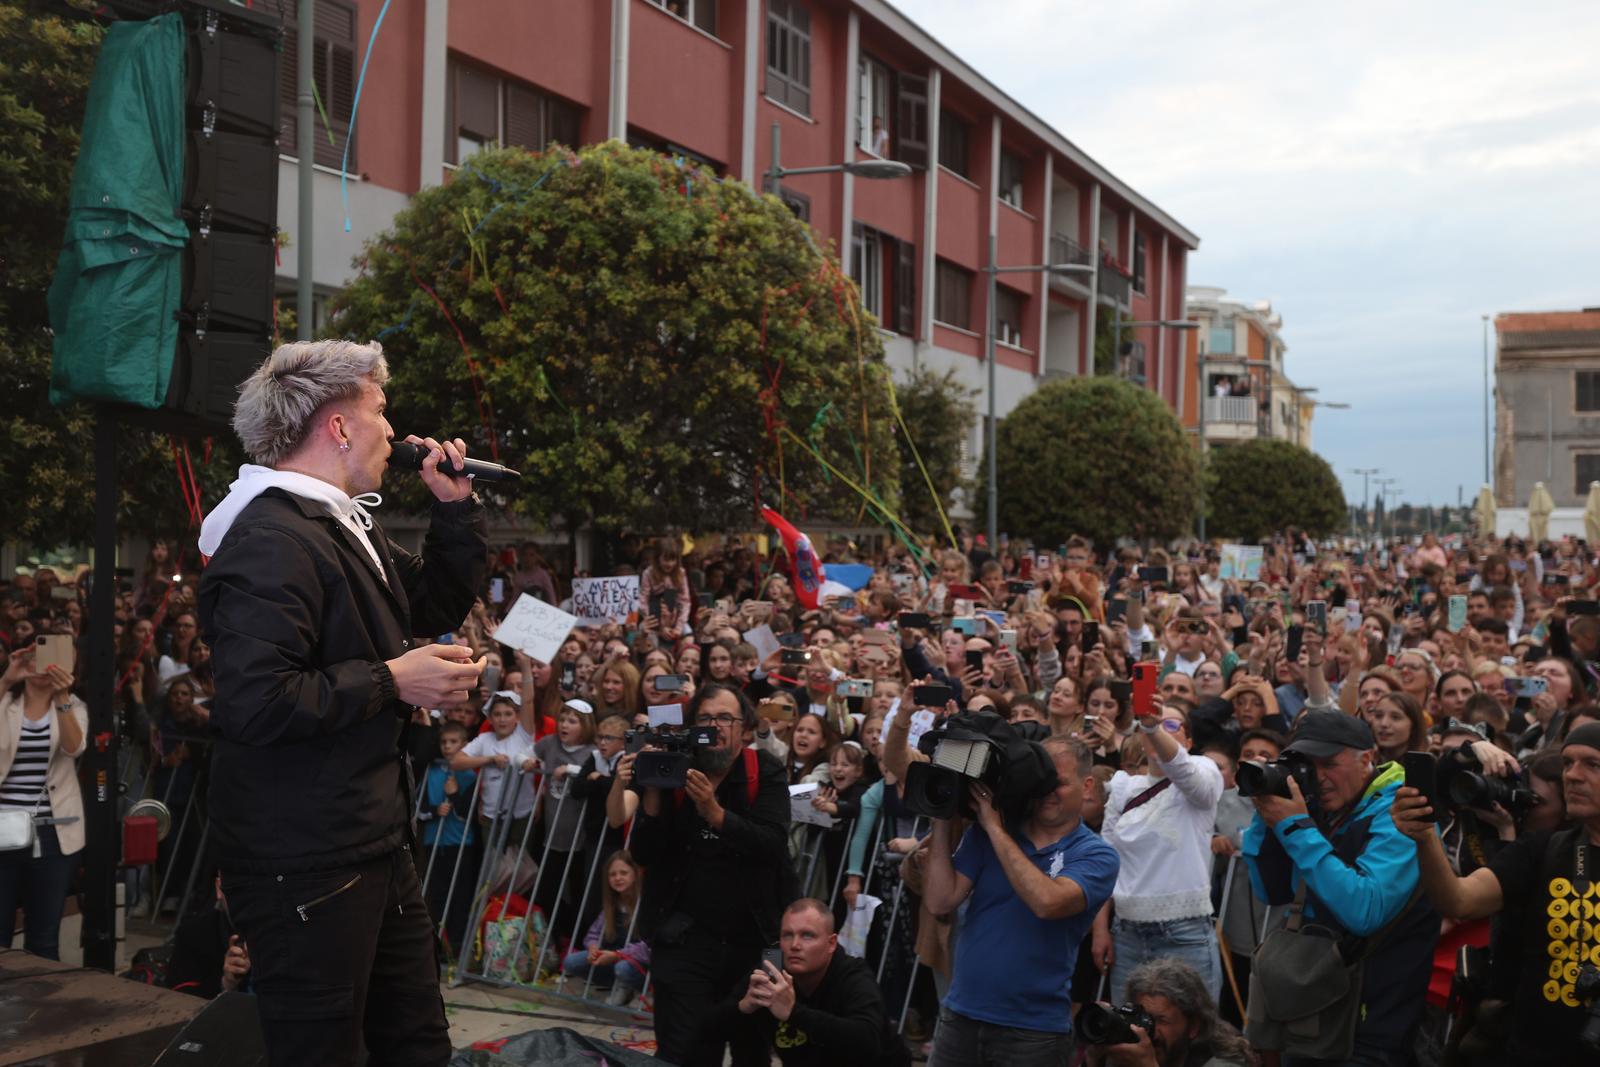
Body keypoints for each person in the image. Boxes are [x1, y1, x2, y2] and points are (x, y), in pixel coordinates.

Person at [197, 339, 487, 1067]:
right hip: (309, 860)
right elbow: (258, 701)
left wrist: (454, 512)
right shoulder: (270, 536)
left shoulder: (338, 522)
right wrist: (396, 680)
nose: (393, 430)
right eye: (380, 410)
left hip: (369, 843)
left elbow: (429, 600)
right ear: (338, 427)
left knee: (416, 1043)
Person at [1391, 721, 1600, 1066]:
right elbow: (1458, 900)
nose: (1573, 775)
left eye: (1592, 764)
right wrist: (1425, 836)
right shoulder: (1542, 850)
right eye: (1567, 763)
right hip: (1533, 1052)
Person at [1240, 710, 1436, 1066]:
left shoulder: (1400, 811)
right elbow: (1272, 892)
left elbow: (1366, 911)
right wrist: (1265, 813)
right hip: (1310, 1013)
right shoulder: (1318, 809)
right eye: (1307, 765)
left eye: (1329, 763)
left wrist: (1297, 829)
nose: (1318, 777)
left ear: (1367, 759)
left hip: (1372, 1026)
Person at [622, 681, 792, 1067]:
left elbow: (773, 844)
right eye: (705, 719)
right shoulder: (675, 767)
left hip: (753, 942)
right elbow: (643, 853)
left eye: (724, 718)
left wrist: (716, 815)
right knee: (685, 1052)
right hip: (684, 943)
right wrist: (651, 793)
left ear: (745, 729)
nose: (714, 727)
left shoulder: (764, 771)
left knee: (751, 1052)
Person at [923, 735, 1121, 1066]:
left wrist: (995, 829)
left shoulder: (1097, 855)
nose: (1046, 792)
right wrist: (943, 819)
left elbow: (1047, 902)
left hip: (1033, 1032)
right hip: (960, 1016)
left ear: (1087, 786)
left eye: (1056, 782)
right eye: (1039, 781)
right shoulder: (989, 834)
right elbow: (940, 901)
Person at [1094, 700, 1226, 1004]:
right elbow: (1106, 863)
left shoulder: (1204, 773)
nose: (1158, 729)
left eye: (1171, 725)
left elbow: (1182, 769)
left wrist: (1153, 726)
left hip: (1184, 935)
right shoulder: (1124, 787)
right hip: (1126, 934)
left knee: (1193, 1038)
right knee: (1129, 1039)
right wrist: (1101, 929)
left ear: (1188, 741)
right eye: (1150, 724)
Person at [711, 897, 910, 1066]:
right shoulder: (772, 966)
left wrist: (793, 1013)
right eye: (787, 935)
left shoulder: (853, 974)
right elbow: (707, 1031)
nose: (795, 945)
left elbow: (866, 1040)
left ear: (831, 943)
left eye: (807, 936)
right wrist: (742, 1008)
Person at [0, 646, 87, 960]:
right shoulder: (6, 702)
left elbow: (74, 747)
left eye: (58, 655)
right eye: (37, 654)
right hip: (2, 830)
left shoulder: (74, 706)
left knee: (43, 939)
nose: (46, 663)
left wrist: (62, 695)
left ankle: (40, 1007)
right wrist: (6, 681)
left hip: (52, 834)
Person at [1084, 958, 1256, 1067]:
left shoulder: (1222, 1061)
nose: (1150, 1031)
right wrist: (1092, 1060)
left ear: (1193, 1027)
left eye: (1162, 1020)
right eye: (1143, 1018)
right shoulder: (1127, 1054)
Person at [560, 850, 649, 1007]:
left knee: (623, 968)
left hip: (640, 964)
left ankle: (643, 990)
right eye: (612, 874)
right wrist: (593, 947)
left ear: (635, 874)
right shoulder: (613, 904)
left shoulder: (646, 904)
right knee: (571, 962)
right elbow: (593, 934)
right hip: (615, 959)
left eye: (623, 873)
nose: (617, 878)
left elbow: (647, 948)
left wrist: (617, 955)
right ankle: (621, 986)